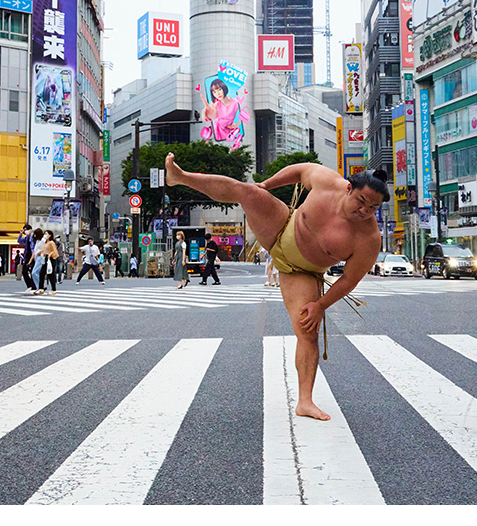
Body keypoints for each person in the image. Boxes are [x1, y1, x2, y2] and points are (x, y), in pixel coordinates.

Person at [165, 152, 387, 421]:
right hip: (280, 228)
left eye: (373, 208)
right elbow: (299, 170)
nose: (364, 211)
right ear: (349, 188)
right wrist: (267, 185)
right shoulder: (328, 181)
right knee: (248, 192)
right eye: (361, 201)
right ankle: (181, 177)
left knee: (307, 331)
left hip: (302, 273)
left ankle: (305, 402)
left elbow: (349, 280)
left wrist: (320, 306)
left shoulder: (369, 238)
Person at [36, 230, 60, 295]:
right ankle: (41, 288)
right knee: (42, 273)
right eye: (44, 234)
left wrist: (50, 254)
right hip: (45, 258)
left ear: (50, 235)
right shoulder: (45, 242)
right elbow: (44, 249)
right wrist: (40, 252)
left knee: (51, 274)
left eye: (46, 234)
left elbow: (54, 251)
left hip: (50, 259)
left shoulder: (51, 242)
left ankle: (53, 289)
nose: (45, 235)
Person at [18, 224, 37, 291]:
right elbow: (19, 241)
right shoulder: (26, 238)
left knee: (33, 272)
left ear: (30, 230)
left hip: (33, 257)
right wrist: (20, 234)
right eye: (24, 230)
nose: (26, 231)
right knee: (24, 271)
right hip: (27, 257)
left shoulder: (34, 238)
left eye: (26, 230)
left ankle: (34, 286)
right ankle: (30, 285)